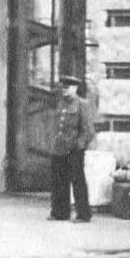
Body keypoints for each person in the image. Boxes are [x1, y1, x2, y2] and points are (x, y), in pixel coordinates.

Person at [48, 74, 95, 222]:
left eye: (67, 88)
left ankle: (83, 214)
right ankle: (60, 212)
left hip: (74, 149)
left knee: (77, 181)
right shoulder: (61, 103)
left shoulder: (82, 104)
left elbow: (88, 130)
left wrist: (79, 145)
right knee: (59, 181)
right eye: (63, 88)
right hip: (60, 147)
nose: (64, 91)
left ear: (74, 88)